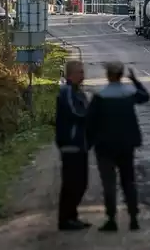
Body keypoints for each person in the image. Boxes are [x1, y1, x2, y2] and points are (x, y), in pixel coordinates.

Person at [86, 61, 150, 232]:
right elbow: (145, 96)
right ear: (121, 75)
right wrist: (135, 80)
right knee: (128, 181)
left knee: (109, 183)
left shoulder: (100, 96)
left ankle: (111, 219)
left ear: (108, 75)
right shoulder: (128, 93)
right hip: (126, 145)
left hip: (105, 146)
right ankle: (133, 218)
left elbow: (90, 122)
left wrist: (88, 143)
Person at [54, 60, 91, 231]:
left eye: (83, 72)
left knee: (81, 182)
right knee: (71, 183)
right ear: (70, 75)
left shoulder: (80, 93)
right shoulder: (66, 92)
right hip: (70, 142)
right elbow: (74, 112)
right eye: (80, 72)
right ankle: (65, 219)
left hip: (81, 144)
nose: (83, 75)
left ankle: (72, 216)